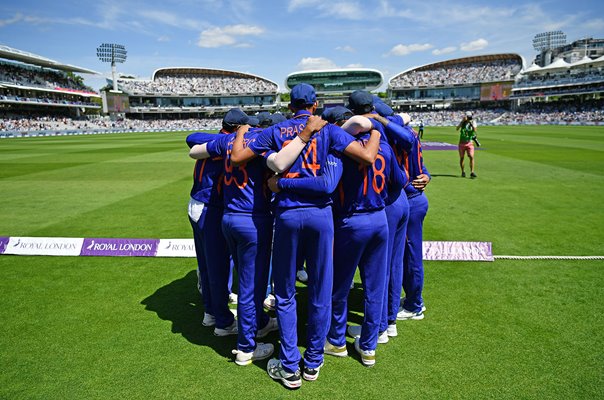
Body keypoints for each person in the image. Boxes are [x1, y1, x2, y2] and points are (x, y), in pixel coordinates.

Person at [230, 83, 380, 389]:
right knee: (320, 289)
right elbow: (365, 157)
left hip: (285, 215)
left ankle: (289, 366)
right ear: (314, 105)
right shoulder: (329, 130)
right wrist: (376, 128)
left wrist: (244, 135)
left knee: (284, 293)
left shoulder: (276, 131)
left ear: (290, 105)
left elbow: (239, 156)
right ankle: (312, 362)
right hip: (321, 216)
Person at [189, 108, 316, 366]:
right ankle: (247, 347)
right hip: (252, 220)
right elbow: (278, 165)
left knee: (243, 281)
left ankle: (254, 323)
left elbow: (194, 148)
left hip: (229, 217)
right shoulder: (264, 146)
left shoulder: (231, 140)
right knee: (251, 287)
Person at [185, 109, 252, 337]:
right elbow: (191, 138)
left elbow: (192, 138)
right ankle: (223, 322)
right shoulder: (228, 142)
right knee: (217, 267)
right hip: (210, 208)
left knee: (205, 264)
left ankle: (210, 312)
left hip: (196, 204)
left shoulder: (218, 139)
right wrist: (232, 138)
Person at [456, 111, 478, 178]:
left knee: (471, 156)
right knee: (462, 158)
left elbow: (475, 130)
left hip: (470, 142)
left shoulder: (473, 122)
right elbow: (457, 128)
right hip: (462, 143)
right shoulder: (463, 122)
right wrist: (462, 121)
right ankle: (463, 171)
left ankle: (472, 172)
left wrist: (471, 123)